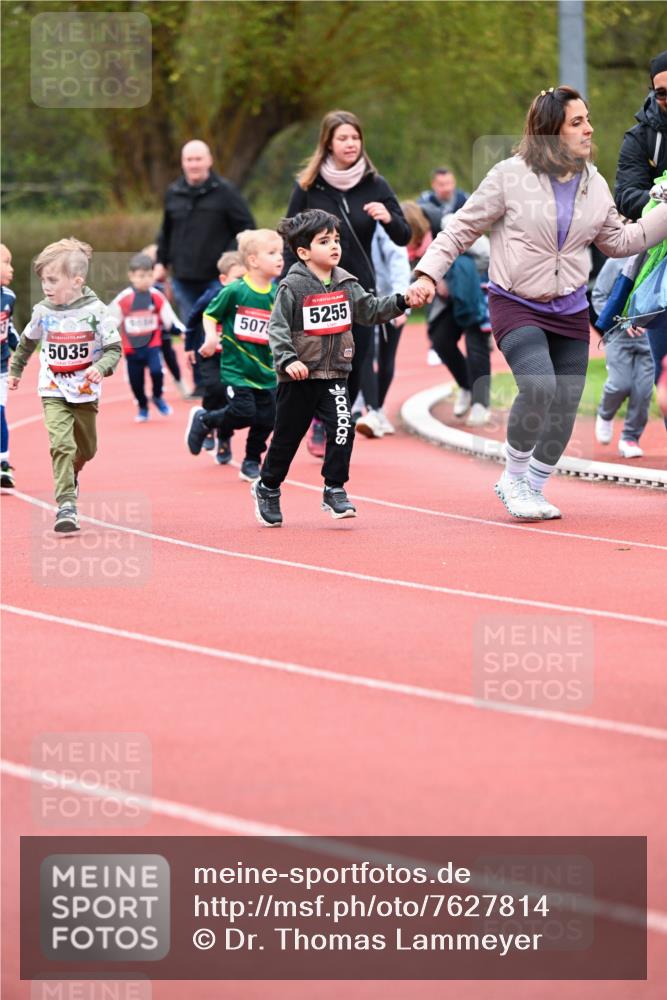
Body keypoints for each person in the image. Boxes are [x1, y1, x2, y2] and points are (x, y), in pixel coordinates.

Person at [406, 86, 667, 521]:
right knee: (540, 386)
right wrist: (427, 273)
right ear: (550, 131)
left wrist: (664, 211)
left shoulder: (594, 184)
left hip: (567, 307)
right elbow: (460, 230)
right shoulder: (509, 176)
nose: (590, 128)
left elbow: (624, 241)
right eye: (577, 122)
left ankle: (535, 486)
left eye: (587, 119)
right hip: (516, 302)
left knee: (565, 402)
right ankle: (512, 478)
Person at [251, 209, 408, 528]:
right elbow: (277, 328)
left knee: (342, 428)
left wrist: (403, 301)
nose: (334, 246)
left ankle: (334, 488)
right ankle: (268, 486)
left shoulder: (347, 284)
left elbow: (371, 311)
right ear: (303, 252)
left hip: (335, 374)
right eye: (325, 241)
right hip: (299, 377)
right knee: (286, 439)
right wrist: (288, 359)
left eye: (336, 240)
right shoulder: (292, 287)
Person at [283, 110, 410, 450]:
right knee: (316, 360)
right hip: (314, 290)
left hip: (357, 288)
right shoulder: (309, 187)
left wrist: (388, 218)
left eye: (355, 137)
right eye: (343, 138)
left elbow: (404, 235)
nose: (350, 144)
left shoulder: (375, 185)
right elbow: (288, 236)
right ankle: (319, 423)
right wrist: (286, 286)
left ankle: (333, 417)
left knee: (353, 361)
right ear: (328, 143)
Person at [8, 238, 121, 532]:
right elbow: (26, 342)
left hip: (85, 393)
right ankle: (66, 505)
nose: (45, 286)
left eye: (52, 280)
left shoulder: (97, 312)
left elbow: (114, 349)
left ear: (76, 280)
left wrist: (100, 368)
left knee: (87, 450)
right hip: (53, 389)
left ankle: (71, 474)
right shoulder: (43, 311)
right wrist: (16, 369)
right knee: (61, 444)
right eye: (43, 279)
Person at [184, 230, 283, 483]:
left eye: (280, 252)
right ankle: (205, 419)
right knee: (243, 413)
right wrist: (210, 338)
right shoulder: (236, 291)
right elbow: (210, 314)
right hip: (237, 369)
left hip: (267, 372)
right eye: (272, 253)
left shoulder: (279, 294)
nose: (280, 258)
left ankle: (251, 461)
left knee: (267, 419)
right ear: (253, 261)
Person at [154, 140, 256, 319]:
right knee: (192, 333)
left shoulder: (226, 192)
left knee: (217, 331)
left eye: (198, 159)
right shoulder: (173, 192)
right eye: (189, 160)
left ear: (209, 160)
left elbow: (247, 228)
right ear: (182, 162)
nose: (194, 164)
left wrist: (230, 259)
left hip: (217, 278)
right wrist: (161, 262)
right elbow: (166, 231)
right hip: (183, 280)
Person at [183, 251, 245, 464]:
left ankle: (225, 439)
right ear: (223, 279)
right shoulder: (211, 296)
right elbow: (192, 319)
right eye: (238, 278)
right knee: (216, 389)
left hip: (235, 359)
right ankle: (207, 423)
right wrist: (189, 346)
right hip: (209, 355)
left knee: (232, 398)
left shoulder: (248, 298)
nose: (242, 283)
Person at [108, 253, 183, 422]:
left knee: (157, 371)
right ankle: (142, 406)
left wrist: (182, 332)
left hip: (152, 346)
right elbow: (110, 320)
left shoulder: (156, 296)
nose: (146, 280)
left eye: (149, 275)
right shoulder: (124, 298)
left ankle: (157, 397)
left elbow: (170, 320)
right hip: (132, 350)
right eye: (141, 276)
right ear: (132, 276)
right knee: (136, 383)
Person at [592, 256, 654, 458]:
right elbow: (599, 297)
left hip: (649, 339)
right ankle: (605, 413)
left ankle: (630, 438)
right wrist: (623, 324)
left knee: (643, 391)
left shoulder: (659, 259)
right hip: (618, 337)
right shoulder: (616, 262)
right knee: (620, 384)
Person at [354, 222, 411, 437]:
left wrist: (400, 303)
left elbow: (399, 261)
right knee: (365, 355)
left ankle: (377, 408)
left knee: (387, 359)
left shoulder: (385, 223)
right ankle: (372, 410)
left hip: (389, 299)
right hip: (361, 298)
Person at [615, 50, 667, 221]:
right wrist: (661, 197)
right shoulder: (639, 138)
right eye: (662, 93)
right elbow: (625, 196)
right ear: (653, 93)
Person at [141, 243, 188, 398]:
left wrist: (178, 329)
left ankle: (180, 384)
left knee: (170, 358)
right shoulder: (146, 285)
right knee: (145, 361)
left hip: (164, 329)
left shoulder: (166, 282)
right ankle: (142, 391)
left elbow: (168, 308)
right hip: (147, 330)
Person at [1, 243, 19, 487]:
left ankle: (3, 464)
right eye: (6, 262)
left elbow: (9, 328)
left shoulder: (9, 297)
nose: (11, 268)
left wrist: (22, 349)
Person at [417, 168, 469, 239]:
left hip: (462, 240)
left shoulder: (464, 198)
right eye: (441, 185)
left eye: (448, 183)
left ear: (454, 182)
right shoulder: (425, 201)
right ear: (433, 184)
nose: (446, 188)